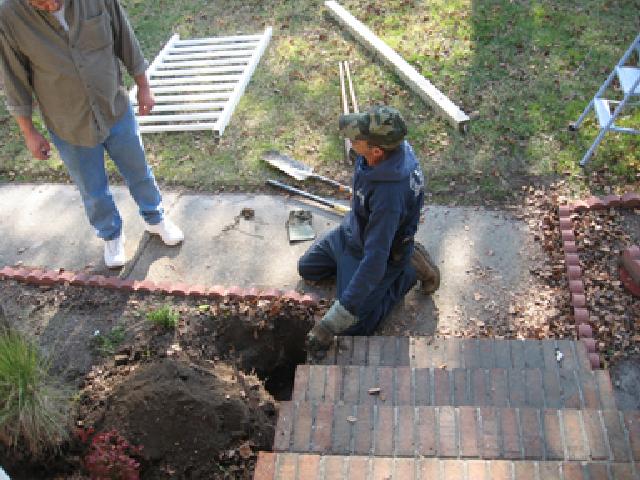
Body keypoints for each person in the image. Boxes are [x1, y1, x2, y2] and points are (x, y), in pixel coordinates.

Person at [0, 0, 183, 268]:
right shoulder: (8, 16)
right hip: (67, 121)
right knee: (92, 188)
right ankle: (111, 235)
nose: (51, 4)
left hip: (114, 107)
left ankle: (156, 219)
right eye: (39, 1)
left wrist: (144, 86)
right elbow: (13, 78)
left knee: (139, 170)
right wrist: (29, 132)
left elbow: (125, 38)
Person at [299, 105, 440, 355]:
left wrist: (332, 322)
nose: (350, 141)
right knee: (307, 268)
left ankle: (408, 270)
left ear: (376, 151)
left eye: (356, 139)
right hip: (351, 233)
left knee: (353, 328)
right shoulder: (387, 151)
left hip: (380, 255)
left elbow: (374, 261)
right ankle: (350, 266)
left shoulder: (389, 197)